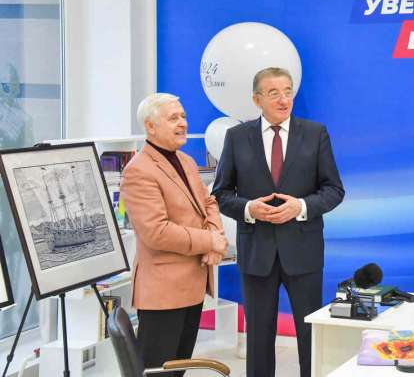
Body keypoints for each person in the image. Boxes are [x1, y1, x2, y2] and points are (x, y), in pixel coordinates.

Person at [212, 67, 345, 377]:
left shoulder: (315, 133)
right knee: (258, 339)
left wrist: (300, 206)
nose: (284, 99)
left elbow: (334, 190)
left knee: (310, 335)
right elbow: (221, 194)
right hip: (256, 253)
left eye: (288, 92)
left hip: (303, 250)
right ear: (256, 99)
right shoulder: (237, 137)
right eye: (274, 93)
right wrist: (249, 209)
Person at [121, 93, 227, 376]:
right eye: (173, 118)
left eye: (183, 116)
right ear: (150, 126)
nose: (183, 123)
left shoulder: (185, 160)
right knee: (159, 371)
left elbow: (208, 203)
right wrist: (210, 241)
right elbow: (157, 232)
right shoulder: (138, 171)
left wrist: (215, 238)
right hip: (163, 294)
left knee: (178, 369)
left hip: (192, 286)